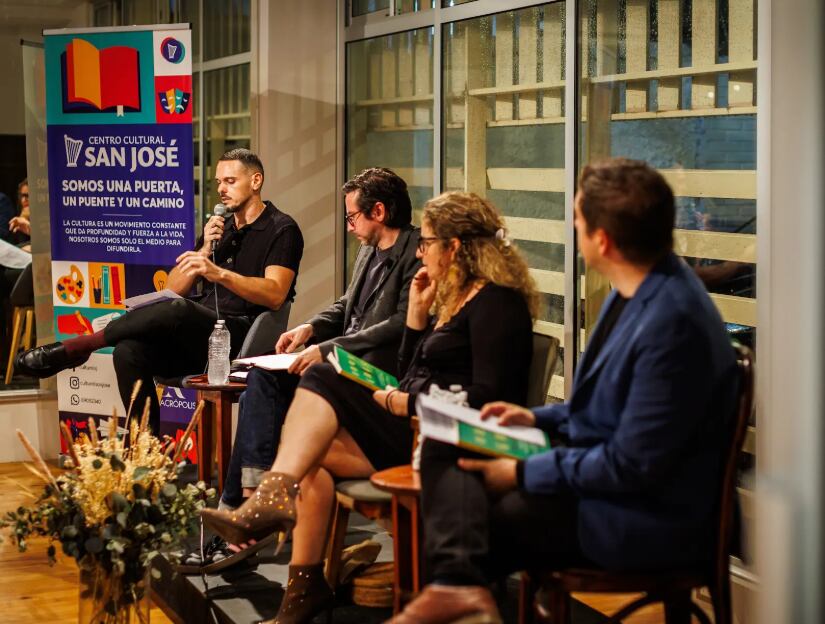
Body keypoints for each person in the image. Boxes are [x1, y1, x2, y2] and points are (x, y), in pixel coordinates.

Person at [389, 159, 740, 624]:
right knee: (445, 443)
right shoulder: (635, 288)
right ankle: (461, 590)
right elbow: (599, 408)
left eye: (577, 220)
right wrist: (535, 418)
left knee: (475, 514)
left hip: (650, 514)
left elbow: (631, 466)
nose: (574, 229)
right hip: (610, 477)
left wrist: (520, 473)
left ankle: (458, 588)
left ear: (603, 240)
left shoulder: (672, 322)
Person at [201, 192, 537, 624]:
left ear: (454, 248)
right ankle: (301, 594)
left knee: (323, 376)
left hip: (445, 437)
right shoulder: (452, 300)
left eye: (427, 243)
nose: (420, 253)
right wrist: (416, 320)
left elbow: (491, 397)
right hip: (416, 424)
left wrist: (407, 400)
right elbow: (413, 370)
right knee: (313, 459)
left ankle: (272, 497)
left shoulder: (498, 303)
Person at [189, 167, 421, 571]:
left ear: (379, 212)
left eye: (352, 217)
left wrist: (326, 349)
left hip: (376, 377)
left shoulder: (415, 252)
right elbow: (347, 306)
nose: (348, 227)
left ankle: (249, 518)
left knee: (312, 372)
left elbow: (399, 325)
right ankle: (249, 502)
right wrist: (310, 328)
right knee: (263, 377)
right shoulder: (368, 251)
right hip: (343, 366)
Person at [15, 149, 304, 433]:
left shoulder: (281, 228)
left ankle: (83, 346)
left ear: (256, 181)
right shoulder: (219, 229)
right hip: (198, 338)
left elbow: (275, 294)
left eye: (230, 181)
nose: (221, 189)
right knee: (127, 352)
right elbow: (173, 289)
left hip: (239, 338)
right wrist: (204, 251)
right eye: (218, 182)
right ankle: (145, 452)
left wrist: (218, 273)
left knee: (178, 309)